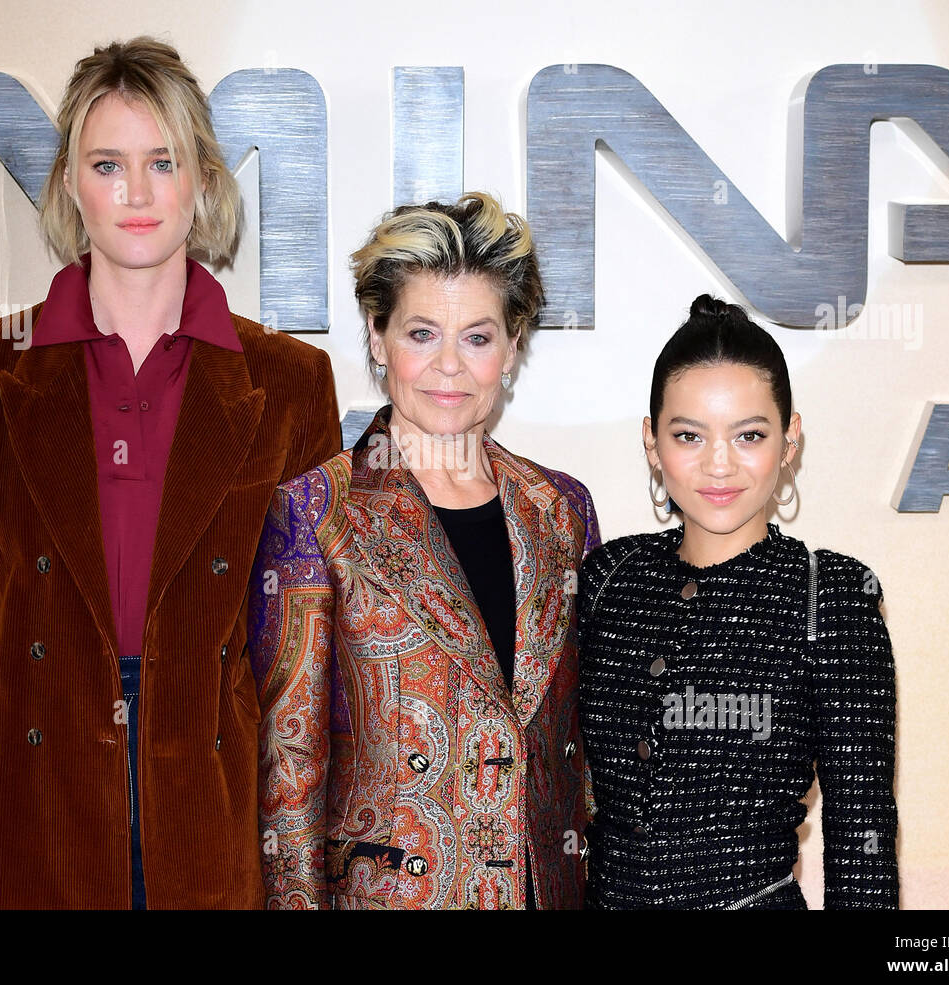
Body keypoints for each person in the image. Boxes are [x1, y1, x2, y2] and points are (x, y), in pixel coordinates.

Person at [0, 36, 341, 909]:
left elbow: (296, 638)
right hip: (29, 778)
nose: (139, 192)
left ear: (202, 179)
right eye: (108, 163)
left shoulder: (290, 382)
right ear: (72, 184)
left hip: (206, 782)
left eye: (164, 161)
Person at [248, 191, 600, 909]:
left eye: (477, 336)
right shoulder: (317, 513)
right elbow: (290, 768)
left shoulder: (562, 510)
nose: (450, 366)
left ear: (511, 347)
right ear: (377, 339)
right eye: (420, 333)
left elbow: (585, 747)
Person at [578, 294, 899, 909]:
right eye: (689, 435)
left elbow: (863, 840)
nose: (719, 465)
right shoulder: (608, 577)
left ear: (790, 438)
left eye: (749, 434)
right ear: (652, 443)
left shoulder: (831, 598)